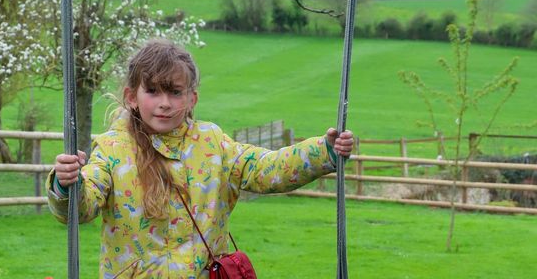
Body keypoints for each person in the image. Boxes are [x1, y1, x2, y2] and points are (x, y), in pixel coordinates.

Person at [47, 39, 354, 279]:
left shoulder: (212, 144)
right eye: (152, 91)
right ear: (132, 97)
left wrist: (322, 152)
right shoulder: (112, 149)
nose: (164, 103)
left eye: (175, 92)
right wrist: (66, 184)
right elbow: (82, 207)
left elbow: (266, 169)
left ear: (192, 98)